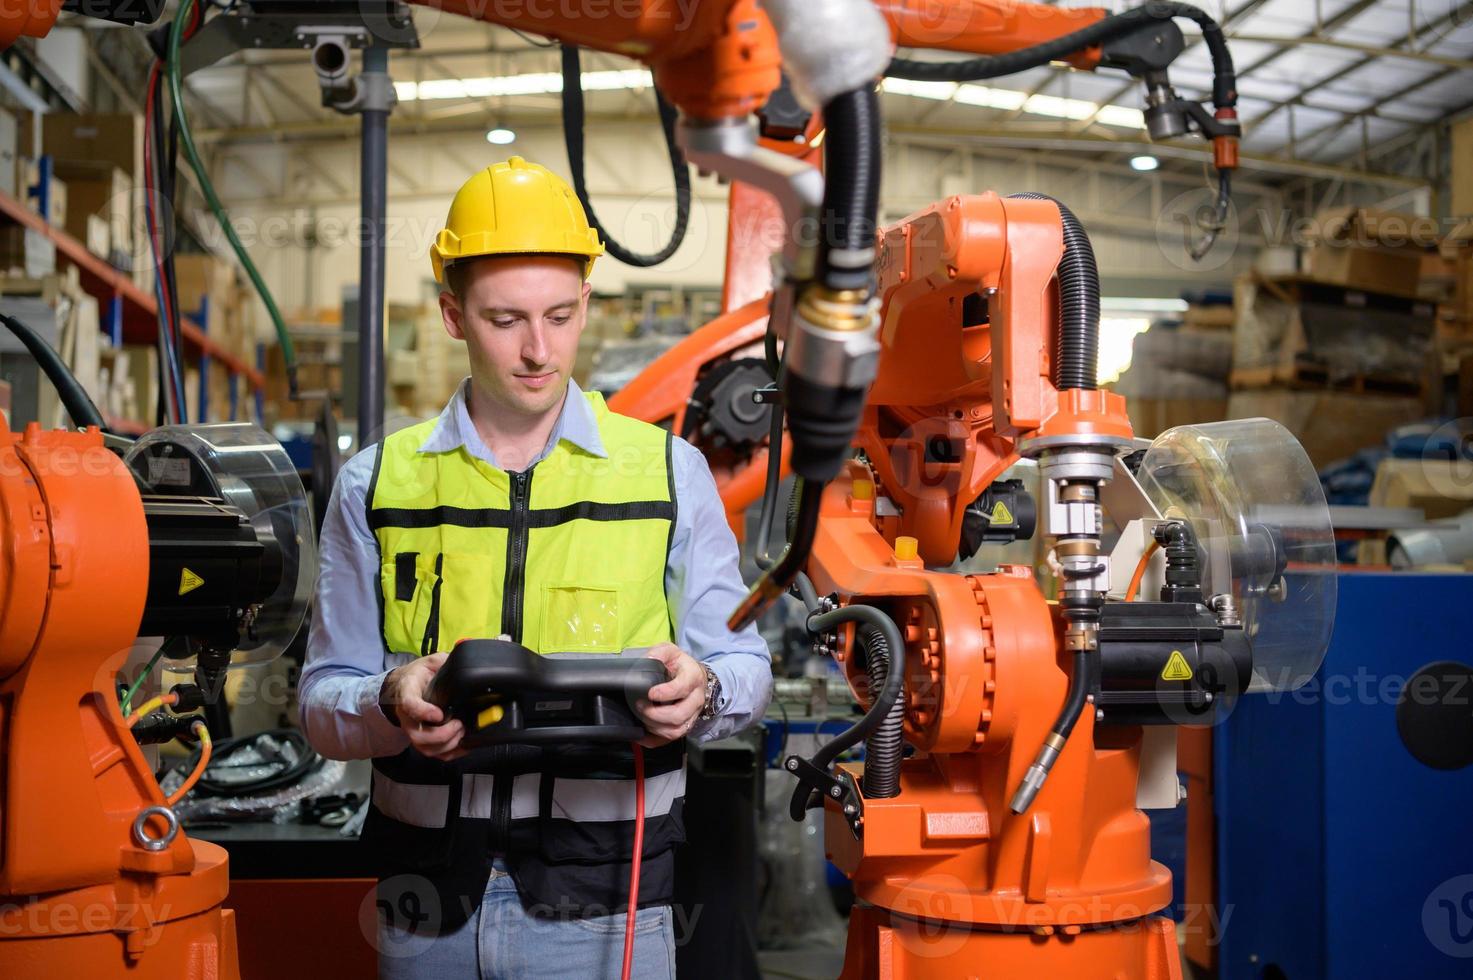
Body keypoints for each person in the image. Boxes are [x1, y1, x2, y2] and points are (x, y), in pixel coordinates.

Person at [298, 156, 772, 979]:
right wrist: (389, 697)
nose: (537, 350)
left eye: (559, 315)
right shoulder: (377, 484)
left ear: (586, 302)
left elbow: (746, 667)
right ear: (452, 315)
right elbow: (318, 702)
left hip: (606, 906)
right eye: (504, 319)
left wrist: (704, 691)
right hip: (424, 907)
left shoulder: (668, 473)